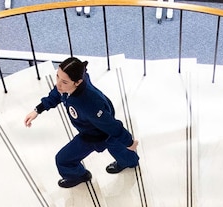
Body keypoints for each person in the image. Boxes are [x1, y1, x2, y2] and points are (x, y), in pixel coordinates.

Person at [22, 57, 139, 188]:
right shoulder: (69, 86)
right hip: (96, 124)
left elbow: (111, 125)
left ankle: (80, 175)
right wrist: (38, 109)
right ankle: (130, 161)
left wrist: (129, 142)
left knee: (63, 160)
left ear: (78, 82)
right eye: (57, 77)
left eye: (64, 82)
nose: (58, 84)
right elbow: (57, 93)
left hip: (95, 135)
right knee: (119, 149)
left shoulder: (88, 104)